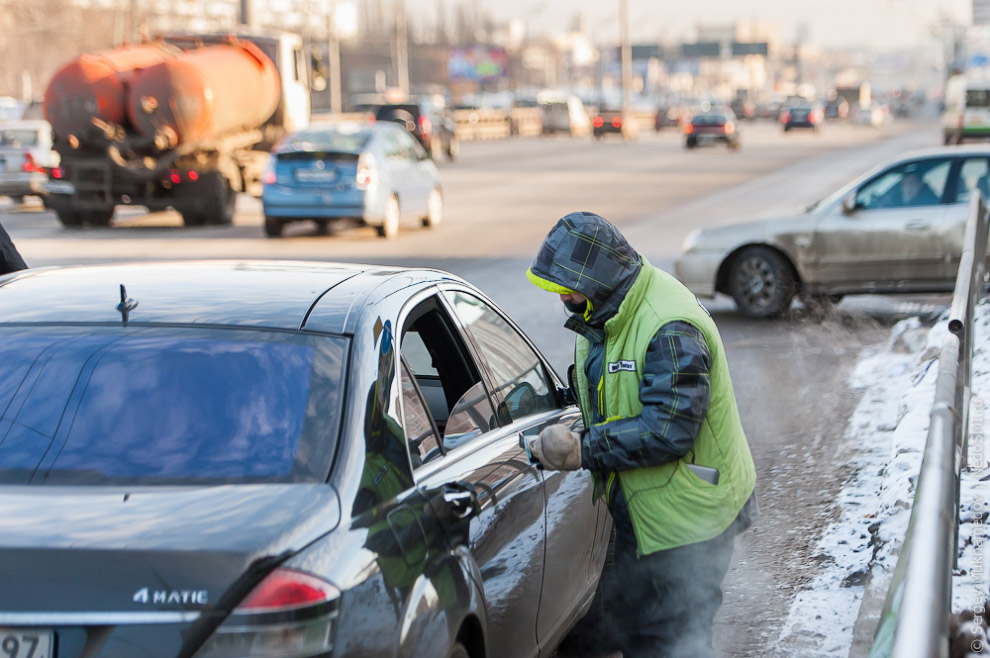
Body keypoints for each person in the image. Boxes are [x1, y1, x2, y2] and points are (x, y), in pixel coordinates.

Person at [526, 211, 758, 658]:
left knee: (672, 640)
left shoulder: (668, 326)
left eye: (566, 285)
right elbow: (605, 394)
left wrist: (581, 448)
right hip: (649, 511)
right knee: (634, 628)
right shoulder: (604, 312)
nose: (561, 296)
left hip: (691, 520)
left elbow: (668, 429)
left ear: (598, 277)